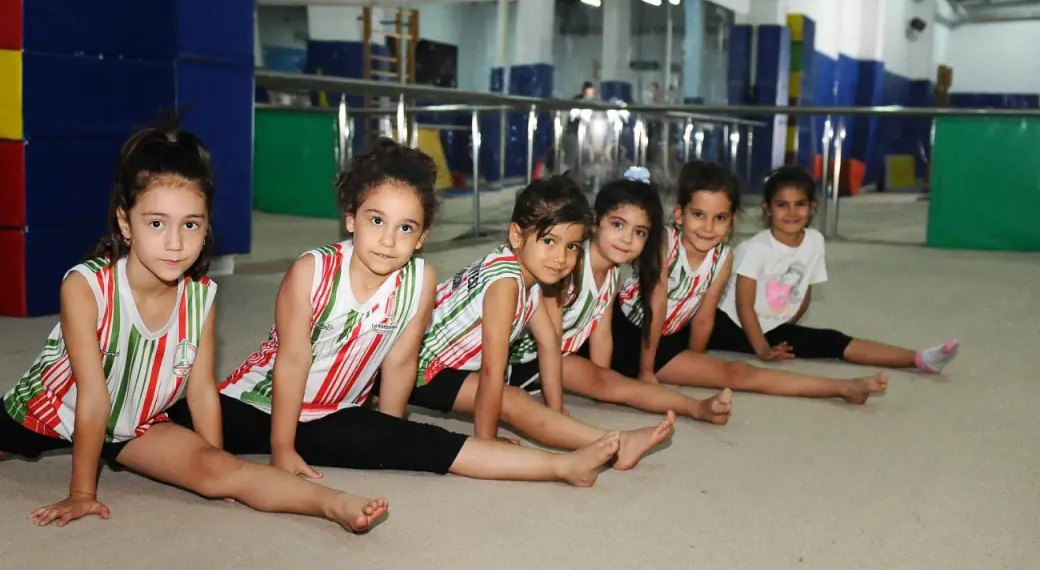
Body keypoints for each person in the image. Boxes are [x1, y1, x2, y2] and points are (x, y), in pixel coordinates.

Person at [0, 113, 388, 533]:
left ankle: (336, 504)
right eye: (156, 223)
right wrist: (82, 493)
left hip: (135, 422)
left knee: (224, 472)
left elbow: (201, 393)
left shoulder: (201, 297)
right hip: (54, 407)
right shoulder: (86, 287)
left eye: (190, 225)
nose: (175, 243)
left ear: (206, 227)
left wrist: (213, 463)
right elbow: (92, 397)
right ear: (125, 223)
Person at [182, 140, 625, 487]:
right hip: (261, 404)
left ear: (422, 236)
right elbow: (293, 361)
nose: (389, 240)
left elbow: (399, 363)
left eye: (406, 227)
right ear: (351, 218)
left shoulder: (420, 281)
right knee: (174, 430)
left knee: (438, 445)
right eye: (377, 220)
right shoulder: (311, 271)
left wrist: (389, 434)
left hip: (337, 411)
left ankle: (563, 466)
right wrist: (281, 447)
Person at [408, 174, 676, 471]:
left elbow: (549, 344)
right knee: (512, 400)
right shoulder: (505, 283)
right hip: (420, 368)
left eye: (572, 247)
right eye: (549, 241)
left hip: (442, 365)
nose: (560, 257)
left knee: (520, 394)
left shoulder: (531, 278)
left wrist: (556, 411)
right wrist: (487, 440)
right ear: (516, 236)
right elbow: (491, 371)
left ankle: (610, 441)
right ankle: (616, 445)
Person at [611, 161, 890, 404]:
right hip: (628, 331)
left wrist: (697, 360)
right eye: (698, 215)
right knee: (737, 374)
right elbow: (656, 305)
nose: (708, 227)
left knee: (737, 372)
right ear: (679, 214)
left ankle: (843, 387)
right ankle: (841, 387)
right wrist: (646, 372)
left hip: (669, 332)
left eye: (720, 218)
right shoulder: (664, 242)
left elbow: (704, 318)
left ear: (732, 221)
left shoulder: (723, 258)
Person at [507, 167, 734, 426]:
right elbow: (550, 341)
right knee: (603, 383)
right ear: (595, 222)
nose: (627, 239)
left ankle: (697, 407)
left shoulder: (613, 273)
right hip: (525, 358)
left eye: (639, 232)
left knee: (613, 383)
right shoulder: (568, 265)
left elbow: (601, 333)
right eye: (617, 224)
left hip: (557, 358)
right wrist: (556, 408)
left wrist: (602, 380)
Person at [709, 165, 959, 372]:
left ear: (812, 207)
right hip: (730, 324)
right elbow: (743, 306)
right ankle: (920, 359)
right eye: (782, 205)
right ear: (767, 208)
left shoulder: (815, 241)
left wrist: (786, 326)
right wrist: (762, 349)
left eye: (800, 204)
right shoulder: (755, 248)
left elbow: (803, 290)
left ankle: (921, 358)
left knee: (830, 340)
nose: (792, 212)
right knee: (829, 340)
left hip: (767, 324)